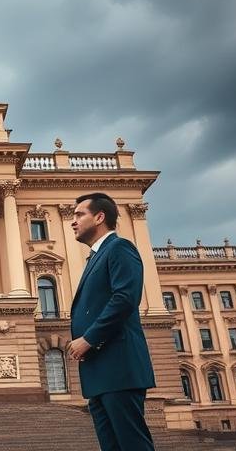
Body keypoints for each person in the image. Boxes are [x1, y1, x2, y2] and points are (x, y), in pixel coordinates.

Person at [66, 192, 156, 451]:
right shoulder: (96, 256)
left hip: (118, 367)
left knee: (132, 444)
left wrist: (89, 338)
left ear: (100, 217)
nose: (73, 221)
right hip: (100, 371)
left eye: (79, 214)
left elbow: (125, 299)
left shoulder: (119, 248)